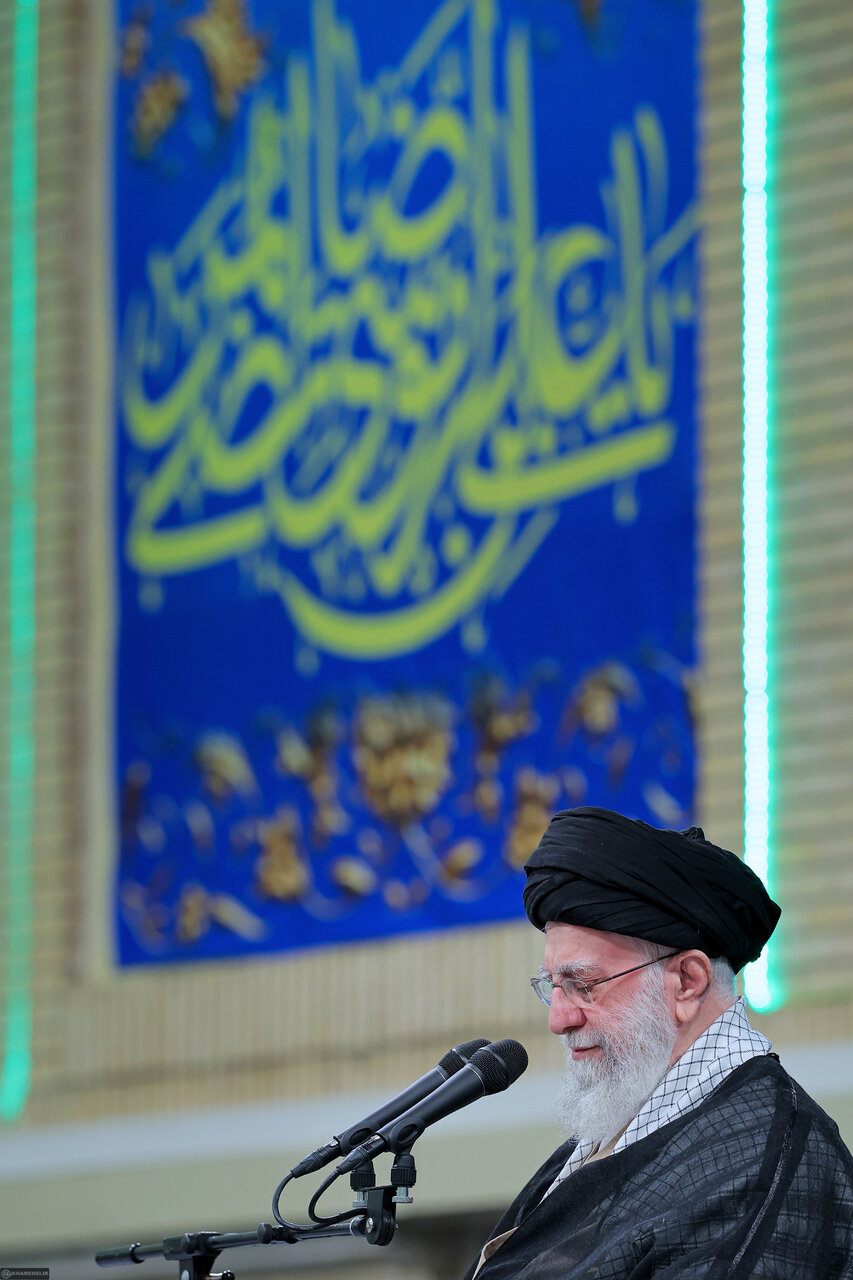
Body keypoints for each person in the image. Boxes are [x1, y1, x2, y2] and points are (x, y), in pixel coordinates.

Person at [464, 806, 853, 1280]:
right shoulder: (623, 1124)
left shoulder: (767, 1164)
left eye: (582, 984)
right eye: (553, 985)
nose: (558, 1020)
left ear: (687, 981)